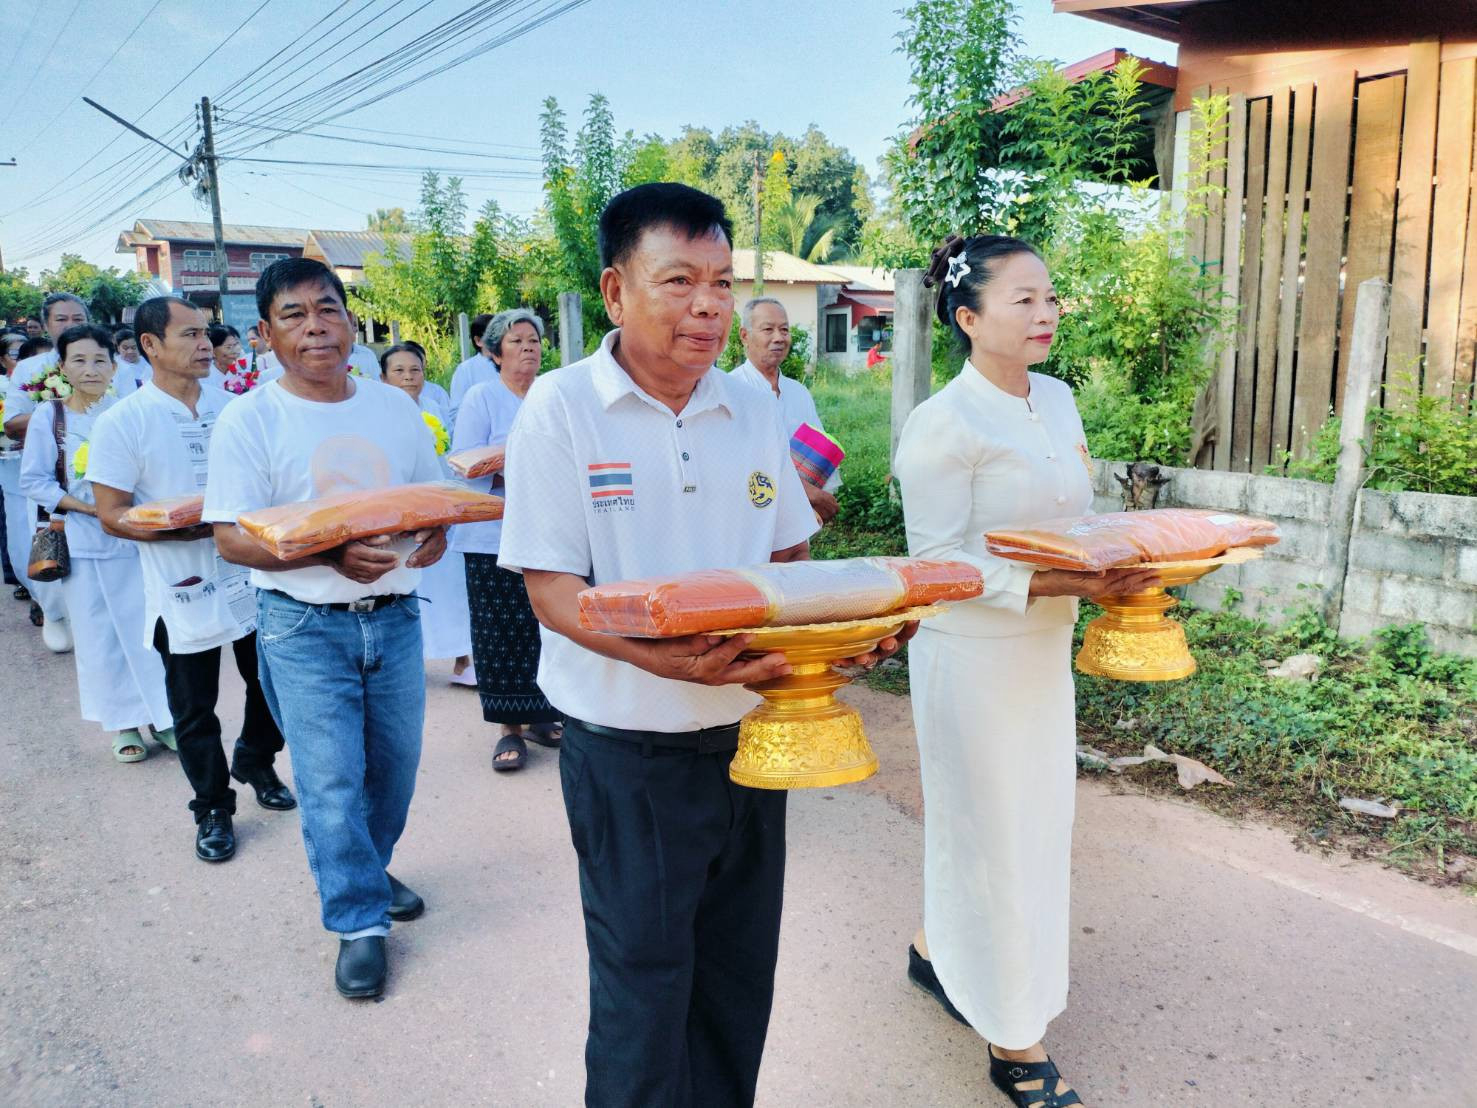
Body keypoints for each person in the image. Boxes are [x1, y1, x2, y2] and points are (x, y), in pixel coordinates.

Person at [499, 182, 906, 1107]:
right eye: (678, 281)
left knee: (733, 980)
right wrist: (662, 660)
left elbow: (789, 560)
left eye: (720, 283)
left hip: (750, 739)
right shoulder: (562, 409)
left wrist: (837, 644)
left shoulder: (751, 407)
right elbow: (553, 593)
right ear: (614, 292)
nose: (708, 307)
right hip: (628, 752)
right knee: (643, 990)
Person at [893, 235, 1161, 1108]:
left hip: (1042, 654)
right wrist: (1067, 578)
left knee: (1026, 828)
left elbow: (1067, 521)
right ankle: (1015, 1041)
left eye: (1049, 297)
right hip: (969, 659)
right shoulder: (943, 423)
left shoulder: (1057, 399)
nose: (1044, 314)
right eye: (1022, 300)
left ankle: (937, 953)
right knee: (996, 837)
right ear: (968, 319)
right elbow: (934, 565)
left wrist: (1123, 557)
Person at [204, 257, 444, 1000]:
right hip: (302, 626)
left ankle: (366, 870)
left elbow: (427, 501)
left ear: (349, 319)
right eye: (294, 315)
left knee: (394, 772)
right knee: (332, 779)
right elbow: (231, 539)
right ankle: (357, 922)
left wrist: (432, 537)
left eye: (328, 309)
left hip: (396, 618)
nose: (316, 327)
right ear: (267, 336)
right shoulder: (252, 419)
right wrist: (328, 552)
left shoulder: (393, 408)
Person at [90, 296, 295, 865]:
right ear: (150, 345)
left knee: (273, 684)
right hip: (179, 583)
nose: (205, 345)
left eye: (206, 334)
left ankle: (256, 757)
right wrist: (176, 532)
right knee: (194, 706)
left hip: (252, 573)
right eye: (190, 335)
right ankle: (213, 806)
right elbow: (111, 512)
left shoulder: (237, 407)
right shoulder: (123, 422)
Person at [19, 324, 175, 763]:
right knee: (99, 636)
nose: (91, 370)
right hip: (85, 542)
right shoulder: (50, 418)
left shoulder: (130, 411)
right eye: (79, 360)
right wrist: (90, 510)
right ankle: (122, 724)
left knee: (148, 632)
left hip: (134, 541)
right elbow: (35, 480)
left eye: (99, 360)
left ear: (114, 364)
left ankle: (163, 719)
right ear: (63, 366)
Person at [450, 308, 561, 771]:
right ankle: (507, 729)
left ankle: (542, 715)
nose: (528, 347)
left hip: (553, 531)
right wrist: (517, 466)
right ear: (495, 352)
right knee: (501, 631)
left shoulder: (554, 394)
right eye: (516, 341)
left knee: (549, 623)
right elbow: (463, 465)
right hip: (491, 536)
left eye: (533, 339)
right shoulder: (482, 397)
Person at [378, 342, 474, 685]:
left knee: (450, 585)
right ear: (383, 377)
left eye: (415, 370)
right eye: (399, 371)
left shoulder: (433, 405)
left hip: (436, 507)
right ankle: (406, 664)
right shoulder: (378, 413)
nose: (408, 378)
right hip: (398, 514)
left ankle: (463, 658)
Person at [5, 293, 87, 649]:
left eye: (77, 318)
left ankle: (89, 613)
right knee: (46, 542)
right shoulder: (31, 369)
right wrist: (55, 409)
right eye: (61, 319)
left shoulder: (109, 360)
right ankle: (53, 612)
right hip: (50, 472)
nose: (71, 325)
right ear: (47, 324)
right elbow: (10, 424)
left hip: (97, 471)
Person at [729, 297, 841, 523]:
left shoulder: (798, 392)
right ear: (744, 336)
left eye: (784, 329)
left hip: (800, 520)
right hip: (750, 520)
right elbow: (736, 468)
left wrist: (819, 503)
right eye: (768, 329)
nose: (779, 337)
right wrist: (808, 493)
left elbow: (821, 455)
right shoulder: (731, 391)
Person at [447, 312, 497, 422]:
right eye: (493, 335)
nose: (499, 339)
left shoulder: (513, 364)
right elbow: (455, 413)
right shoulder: (465, 370)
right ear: (478, 341)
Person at [112, 326, 153, 391]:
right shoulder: (114, 366)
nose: (130, 352)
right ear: (118, 348)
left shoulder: (149, 361)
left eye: (133, 347)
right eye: (125, 348)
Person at [207, 324, 245, 390]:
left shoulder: (243, 372)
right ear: (212, 351)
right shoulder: (204, 377)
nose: (235, 351)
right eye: (228, 347)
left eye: (236, 344)